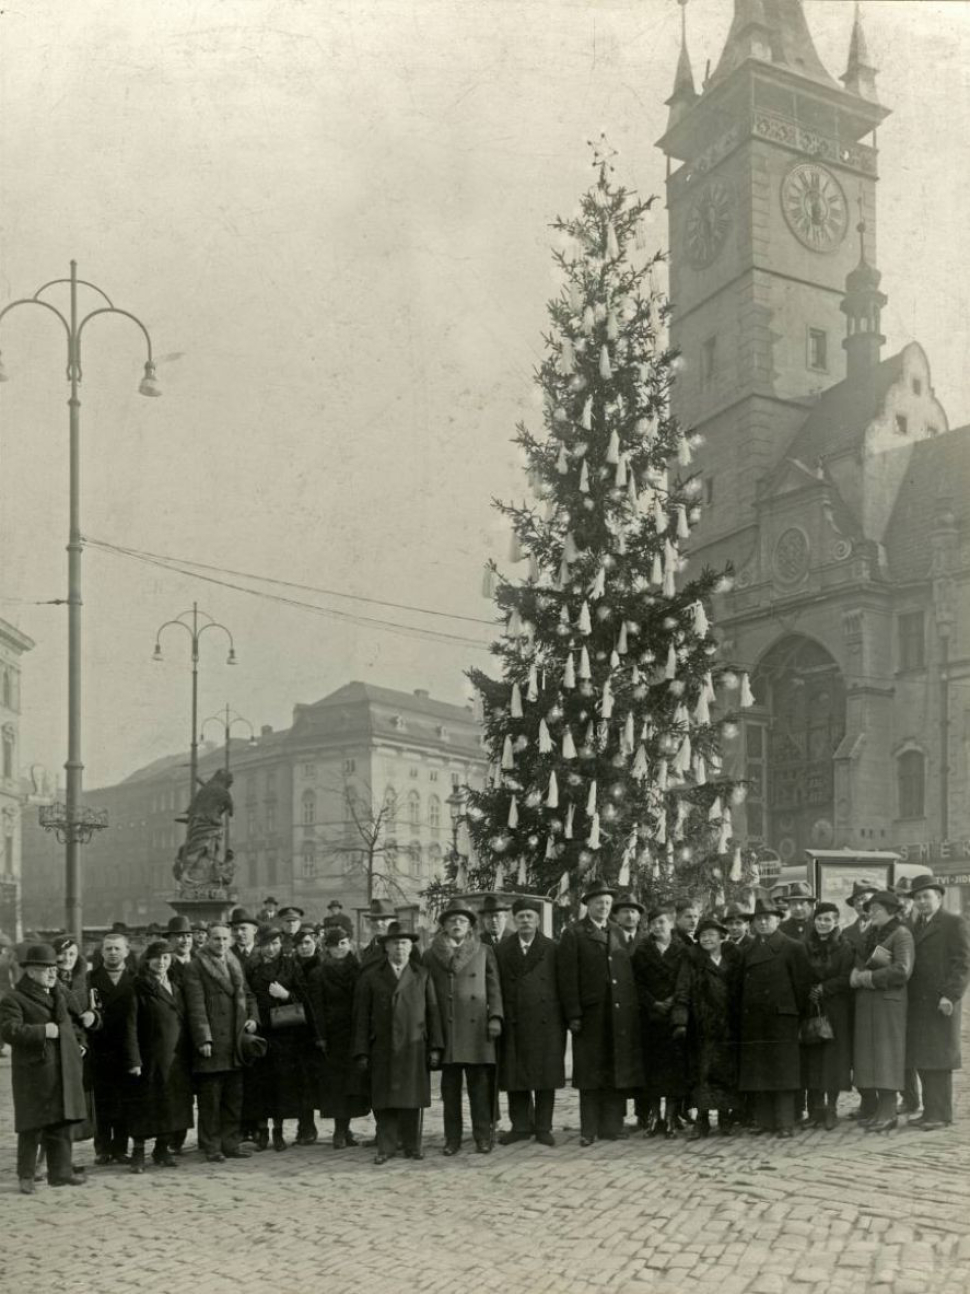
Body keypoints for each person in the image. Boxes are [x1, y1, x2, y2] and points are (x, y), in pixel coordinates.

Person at [557, 883, 644, 1147]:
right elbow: (567, 977)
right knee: (590, 1074)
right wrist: (573, 1013)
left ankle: (612, 1126)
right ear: (588, 905)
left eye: (607, 903)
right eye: (598, 903)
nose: (603, 907)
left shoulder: (616, 931)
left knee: (614, 1069)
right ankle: (589, 1129)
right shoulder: (574, 933)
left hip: (617, 1014)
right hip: (591, 1014)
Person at [0, 943, 90, 1193]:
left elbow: (74, 1022)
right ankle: (26, 1175)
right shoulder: (14, 998)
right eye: (45, 969)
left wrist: (79, 1043)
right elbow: (9, 1030)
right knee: (32, 1125)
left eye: (53, 968)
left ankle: (60, 1173)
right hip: (34, 1071)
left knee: (63, 1120)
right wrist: (43, 1031)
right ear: (29, 971)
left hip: (62, 1067)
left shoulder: (58, 995)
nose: (52, 972)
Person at [352, 927, 443, 1165]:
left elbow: (433, 1012)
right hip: (381, 1047)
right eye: (394, 944)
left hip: (413, 1047)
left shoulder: (422, 974)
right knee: (383, 1100)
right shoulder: (372, 977)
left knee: (411, 1098)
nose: (399, 948)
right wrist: (361, 1050)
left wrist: (435, 1047)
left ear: (411, 947)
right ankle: (386, 1146)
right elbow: (362, 1016)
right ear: (386, 947)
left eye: (404, 943)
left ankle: (412, 1145)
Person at [422, 899, 503, 1155]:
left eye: (462, 920)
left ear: (469, 925)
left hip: (477, 1028)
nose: (457, 924)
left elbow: (494, 987)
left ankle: (482, 1136)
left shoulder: (483, 950)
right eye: (451, 920)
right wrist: (432, 1035)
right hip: (446, 1029)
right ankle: (452, 1139)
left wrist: (495, 1017)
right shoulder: (430, 954)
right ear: (444, 926)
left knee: (480, 1088)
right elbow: (426, 995)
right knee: (450, 1090)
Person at [182, 923, 259, 1163]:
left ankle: (231, 1143)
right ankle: (211, 1145)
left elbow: (248, 994)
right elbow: (195, 1006)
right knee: (211, 1099)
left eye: (226, 938)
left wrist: (253, 1019)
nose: (222, 943)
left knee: (233, 1097)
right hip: (213, 1042)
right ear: (206, 940)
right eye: (217, 939)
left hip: (235, 1041)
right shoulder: (195, 966)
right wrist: (204, 1038)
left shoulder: (234, 962)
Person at [737, 897, 812, 1138]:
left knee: (783, 1072)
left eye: (767, 918)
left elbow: (802, 986)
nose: (762, 923)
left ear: (778, 920)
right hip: (754, 1020)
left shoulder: (793, 947)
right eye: (758, 919)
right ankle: (765, 1120)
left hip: (782, 1019)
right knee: (759, 1071)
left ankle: (785, 1122)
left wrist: (794, 1013)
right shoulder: (747, 950)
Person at [493, 897, 564, 1147]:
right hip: (514, 1021)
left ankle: (544, 1127)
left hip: (548, 1023)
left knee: (545, 1077)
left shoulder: (552, 948)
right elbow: (497, 986)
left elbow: (562, 985)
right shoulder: (502, 950)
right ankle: (520, 1126)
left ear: (537, 920)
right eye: (521, 916)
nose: (525, 920)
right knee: (516, 1076)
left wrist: (564, 1020)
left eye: (529, 916)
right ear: (514, 920)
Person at [905, 875, 970, 1130]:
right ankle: (929, 1110)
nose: (921, 902)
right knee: (924, 1056)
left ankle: (941, 1114)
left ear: (939, 897)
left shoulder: (953, 923)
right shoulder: (915, 925)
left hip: (941, 1002)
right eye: (918, 898)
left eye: (926, 897)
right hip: (919, 1003)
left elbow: (963, 963)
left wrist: (950, 995)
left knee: (940, 1059)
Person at [124, 941, 194, 1173]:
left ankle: (162, 1149)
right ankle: (138, 1153)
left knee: (171, 1104)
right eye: (157, 958)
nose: (162, 962)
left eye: (166, 958)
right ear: (147, 960)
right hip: (150, 1057)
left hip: (175, 1057)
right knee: (147, 1105)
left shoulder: (175, 985)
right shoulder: (138, 987)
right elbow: (130, 1026)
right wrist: (134, 1059)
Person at [851, 890, 915, 1132]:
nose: (871, 913)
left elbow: (902, 970)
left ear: (890, 910)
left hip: (889, 1006)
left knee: (887, 1057)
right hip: (870, 1005)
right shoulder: (873, 933)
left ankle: (888, 1112)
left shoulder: (902, 934)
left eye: (876, 909)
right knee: (871, 1058)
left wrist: (866, 977)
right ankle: (880, 1110)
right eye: (871, 909)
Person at [673, 917, 739, 1138]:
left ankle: (725, 1117)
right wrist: (681, 1020)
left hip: (728, 1025)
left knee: (726, 1072)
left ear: (722, 936)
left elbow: (740, 989)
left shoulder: (734, 958)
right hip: (701, 1027)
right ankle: (702, 1120)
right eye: (703, 935)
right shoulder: (692, 960)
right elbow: (682, 990)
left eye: (712, 934)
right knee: (702, 1073)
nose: (707, 939)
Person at [307, 928, 371, 1148]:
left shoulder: (359, 970)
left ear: (350, 944)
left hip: (355, 1033)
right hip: (332, 1037)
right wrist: (321, 1036)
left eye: (343, 943)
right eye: (335, 945)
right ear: (327, 948)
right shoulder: (319, 973)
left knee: (354, 1084)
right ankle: (338, 1131)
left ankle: (346, 1129)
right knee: (336, 1085)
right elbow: (317, 1008)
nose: (340, 948)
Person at [245, 925, 304, 1151]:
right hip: (261, 1032)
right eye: (268, 944)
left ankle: (278, 1132)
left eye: (276, 943)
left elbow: (304, 996)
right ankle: (262, 1132)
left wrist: (286, 995)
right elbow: (247, 996)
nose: (273, 948)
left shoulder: (290, 966)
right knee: (260, 1084)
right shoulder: (252, 968)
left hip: (286, 1033)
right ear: (260, 946)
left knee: (281, 1084)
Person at [632, 908, 689, 1136]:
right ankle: (655, 1116)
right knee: (653, 1070)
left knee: (674, 1070)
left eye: (662, 922)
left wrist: (672, 1001)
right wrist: (653, 1003)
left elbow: (686, 980)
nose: (658, 927)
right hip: (651, 1017)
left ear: (672, 924)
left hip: (675, 1018)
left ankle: (671, 1115)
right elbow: (636, 983)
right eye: (653, 923)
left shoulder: (683, 950)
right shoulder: (642, 951)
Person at [801, 902, 854, 1130]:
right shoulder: (804, 945)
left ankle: (831, 1109)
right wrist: (810, 989)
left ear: (836, 922)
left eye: (828, 920)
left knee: (833, 1061)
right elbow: (798, 971)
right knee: (812, 1058)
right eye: (820, 919)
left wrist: (825, 988)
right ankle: (816, 1110)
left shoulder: (844, 947)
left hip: (835, 1009)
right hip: (811, 1008)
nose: (823, 924)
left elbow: (847, 976)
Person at [87, 931, 137, 1165]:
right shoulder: (90, 979)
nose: (113, 952)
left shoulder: (136, 978)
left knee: (127, 1099)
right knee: (103, 1101)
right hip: (101, 1048)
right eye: (108, 949)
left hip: (127, 1048)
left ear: (127, 951)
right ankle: (103, 1148)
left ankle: (121, 1148)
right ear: (101, 952)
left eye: (118, 948)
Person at [842, 881, 878, 960]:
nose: (860, 904)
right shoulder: (846, 932)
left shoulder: (885, 928)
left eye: (864, 899)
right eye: (856, 900)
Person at [359, 898, 397, 971]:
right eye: (374, 919)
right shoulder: (366, 952)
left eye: (384, 919)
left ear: (394, 921)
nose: (378, 923)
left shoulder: (406, 949)